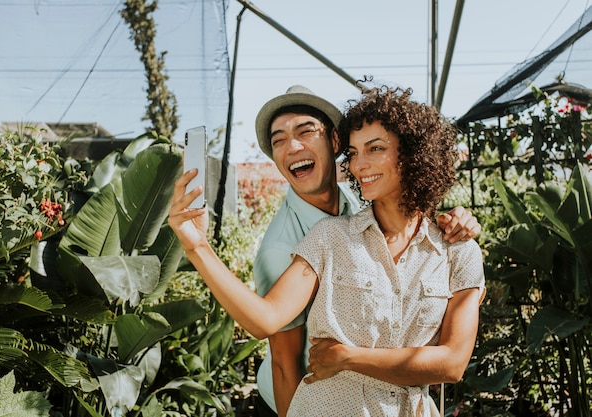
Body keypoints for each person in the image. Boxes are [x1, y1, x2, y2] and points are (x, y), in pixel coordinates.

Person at [168, 85, 485, 416]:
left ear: (412, 153)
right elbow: (273, 337)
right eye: (355, 153)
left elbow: (452, 363)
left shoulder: (455, 249)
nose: (359, 165)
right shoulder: (319, 238)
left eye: (374, 148)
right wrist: (196, 245)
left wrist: (348, 358)